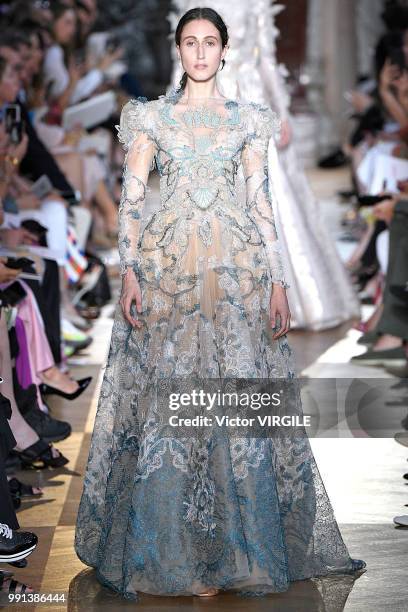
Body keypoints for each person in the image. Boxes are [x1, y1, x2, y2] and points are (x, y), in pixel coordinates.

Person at [74, 7, 366, 599]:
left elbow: (262, 207)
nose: (201, 52)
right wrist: (128, 273)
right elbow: (130, 205)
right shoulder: (150, 118)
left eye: (210, 43)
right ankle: (179, 548)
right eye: (191, 42)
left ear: (225, 51)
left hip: (236, 270)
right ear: (178, 50)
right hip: (169, 269)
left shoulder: (247, 122)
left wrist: (278, 281)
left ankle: (234, 548)